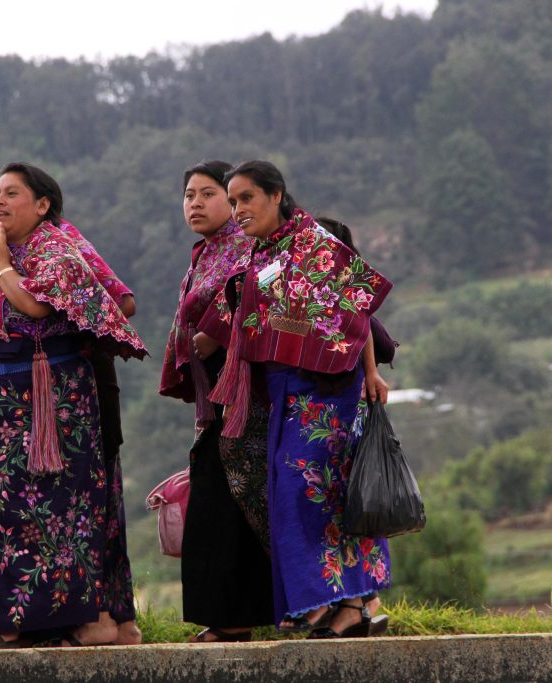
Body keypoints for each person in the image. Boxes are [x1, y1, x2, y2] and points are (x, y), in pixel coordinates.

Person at [0, 162, 147, 650]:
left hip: (39, 406)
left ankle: (7, 623)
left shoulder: (58, 250)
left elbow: (37, 308)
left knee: (14, 512)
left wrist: (2, 267)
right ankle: (33, 621)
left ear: (43, 205)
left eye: (12, 193)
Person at [197, 160, 392, 639]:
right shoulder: (262, 256)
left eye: (247, 198)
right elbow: (247, 317)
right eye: (235, 200)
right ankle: (343, 608)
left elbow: (355, 311)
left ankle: (341, 604)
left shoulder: (313, 244)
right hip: (285, 391)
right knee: (308, 497)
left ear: (276, 195)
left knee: (310, 495)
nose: (239, 209)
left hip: (328, 391)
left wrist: (368, 371)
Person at [159, 161, 274, 643]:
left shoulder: (247, 249)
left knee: (241, 505)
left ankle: (240, 620)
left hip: (253, 397)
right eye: (189, 195)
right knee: (216, 506)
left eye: (209, 193)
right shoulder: (204, 254)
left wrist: (215, 333)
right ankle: (233, 618)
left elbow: (262, 302)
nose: (196, 203)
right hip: (220, 401)